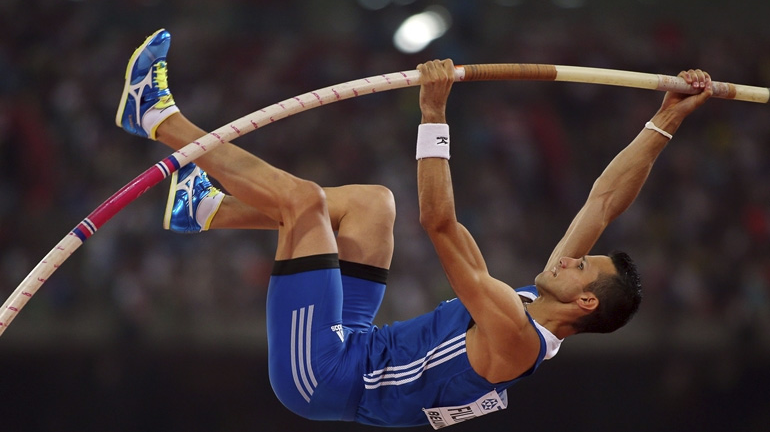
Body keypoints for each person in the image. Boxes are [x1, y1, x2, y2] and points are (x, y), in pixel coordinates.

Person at [116, 29, 713, 428]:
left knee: (304, 202)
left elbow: (439, 224)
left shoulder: (515, 336)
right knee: (372, 205)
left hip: (322, 375)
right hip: (358, 342)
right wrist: (664, 122)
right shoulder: (536, 303)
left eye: (580, 266)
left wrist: (433, 112)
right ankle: (206, 209)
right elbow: (603, 203)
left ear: (584, 302)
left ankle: (156, 117)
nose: (568, 257)